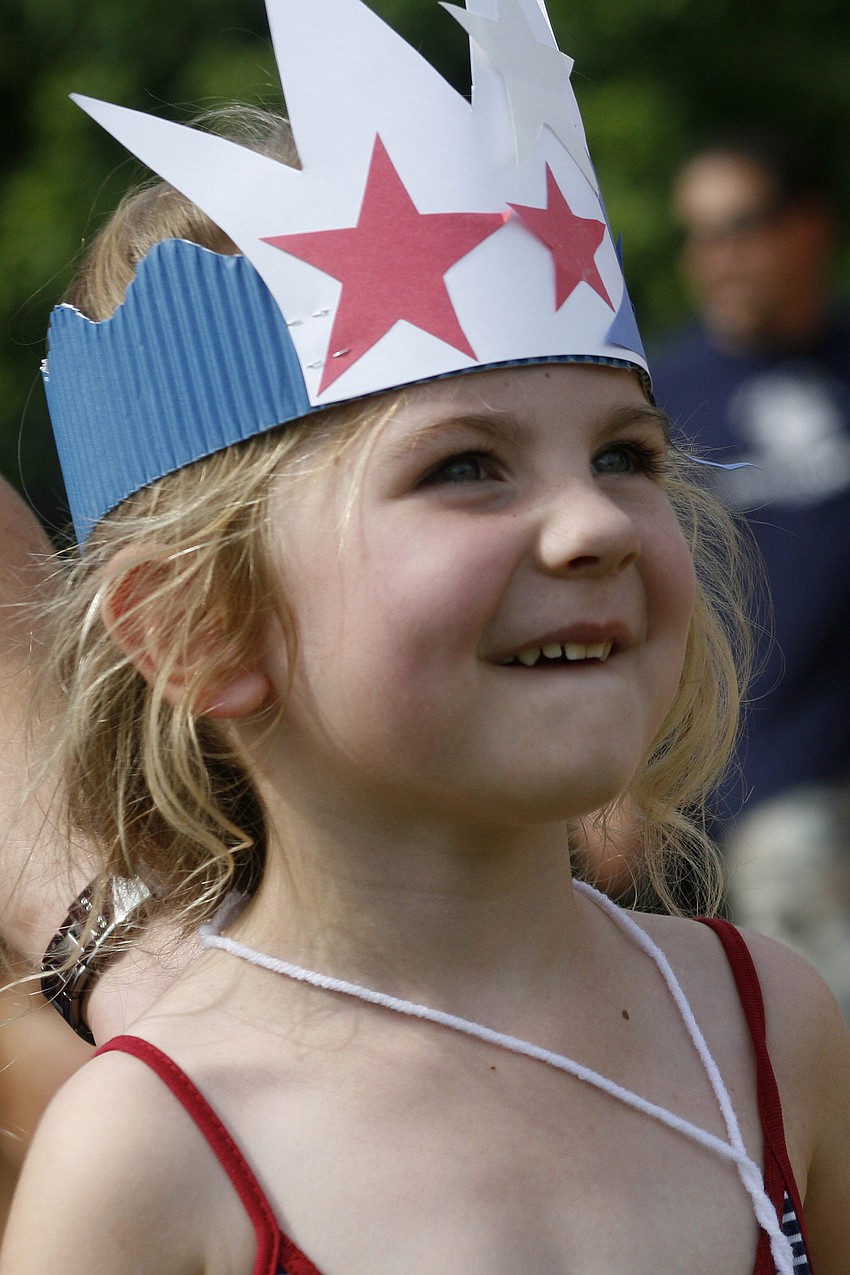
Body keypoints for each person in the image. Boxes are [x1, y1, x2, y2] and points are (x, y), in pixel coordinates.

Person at [1, 4, 848, 1273]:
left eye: (624, 454)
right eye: (465, 466)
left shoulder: (769, 1025)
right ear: (196, 625)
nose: (593, 523)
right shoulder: (145, 1160)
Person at [652, 128, 850, 1016]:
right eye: (699, 234)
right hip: (772, 781)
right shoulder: (663, 396)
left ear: (811, 227)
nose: (717, 257)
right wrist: (629, 774)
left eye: (742, 226)